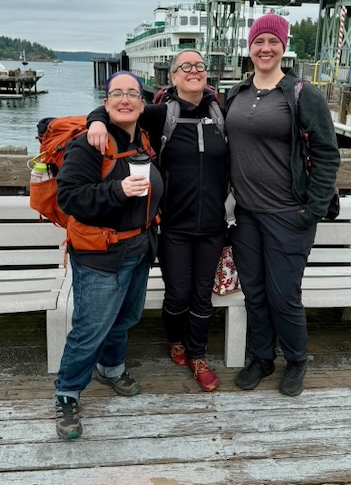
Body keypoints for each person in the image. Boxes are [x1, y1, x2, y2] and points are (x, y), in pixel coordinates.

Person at [88, 50, 228, 392]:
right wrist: (95, 121)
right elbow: (119, 109)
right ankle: (174, 340)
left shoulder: (222, 114)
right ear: (174, 77)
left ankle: (197, 355)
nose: (193, 70)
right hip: (173, 227)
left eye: (199, 66)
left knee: (202, 297)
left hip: (213, 225)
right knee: (178, 295)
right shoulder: (162, 113)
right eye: (185, 67)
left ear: (205, 75)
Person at [225, 13, 340, 397]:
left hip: (288, 215)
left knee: (283, 294)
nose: (265, 49)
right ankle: (261, 358)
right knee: (254, 292)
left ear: (283, 47)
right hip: (245, 216)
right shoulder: (236, 93)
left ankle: (296, 360)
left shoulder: (302, 94)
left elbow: (327, 155)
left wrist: (312, 210)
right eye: (259, 41)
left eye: (273, 41)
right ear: (249, 46)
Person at [54, 71, 163, 440]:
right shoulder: (89, 145)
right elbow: (69, 199)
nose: (125, 99)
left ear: (143, 104)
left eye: (133, 93)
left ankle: (111, 368)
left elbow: (194, 98)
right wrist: (117, 191)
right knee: (90, 328)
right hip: (101, 254)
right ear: (105, 103)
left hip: (139, 248)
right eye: (116, 94)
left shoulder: (144, 137)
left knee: (127, 317)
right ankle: (67, 392)